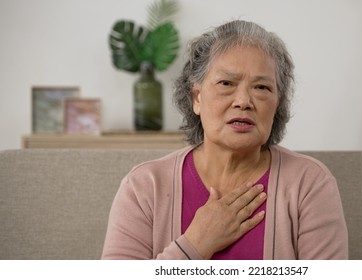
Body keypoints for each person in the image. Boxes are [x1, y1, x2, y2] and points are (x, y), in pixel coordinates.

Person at [102, 20, 348, 260]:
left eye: (262, 88)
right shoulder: (145, 186)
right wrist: (195, 245)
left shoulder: (310, 183)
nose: (243, 101)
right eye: (226, 83)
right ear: (197, 98)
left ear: (277, 105)